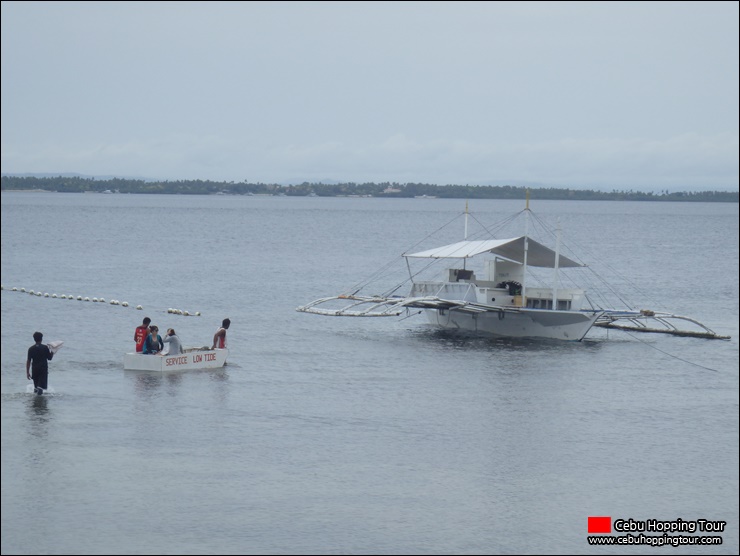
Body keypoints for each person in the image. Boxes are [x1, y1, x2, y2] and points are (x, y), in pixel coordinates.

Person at [26, 331, 54, 395]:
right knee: (40, 387)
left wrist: (27, 372)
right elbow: (49, 358)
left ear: (34, 339)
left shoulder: (31, 349)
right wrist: (52, 350)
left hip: (34, 369)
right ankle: (39, 402)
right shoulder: (45, 348)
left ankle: (35, 402)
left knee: (36, 387)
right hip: (43, 369)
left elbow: (28, 361)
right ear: (41, 339)